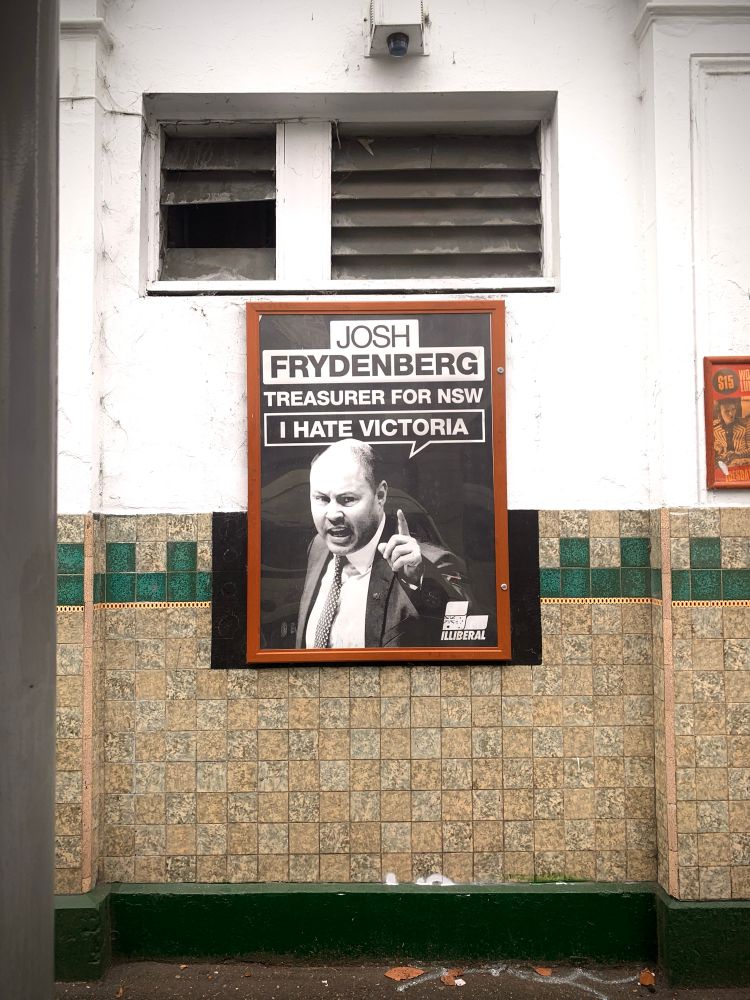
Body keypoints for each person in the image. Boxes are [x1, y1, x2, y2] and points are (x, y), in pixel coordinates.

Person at [296, 439, 473, 648]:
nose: (333, 514)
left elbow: (471, 632)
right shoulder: (319, 547)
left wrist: (419, 581)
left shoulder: (424, 565)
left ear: (380, 495)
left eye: (347, 499)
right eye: (322, 499)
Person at [713, 397, 750, 467]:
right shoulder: (714, 426)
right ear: (720, 412)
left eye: (733, 409)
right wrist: (717, 448)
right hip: (723, 464)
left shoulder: (746, 424)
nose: (731, 414)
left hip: (742, 463)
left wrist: (738, 455)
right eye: (726, 411)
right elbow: (715, 444)